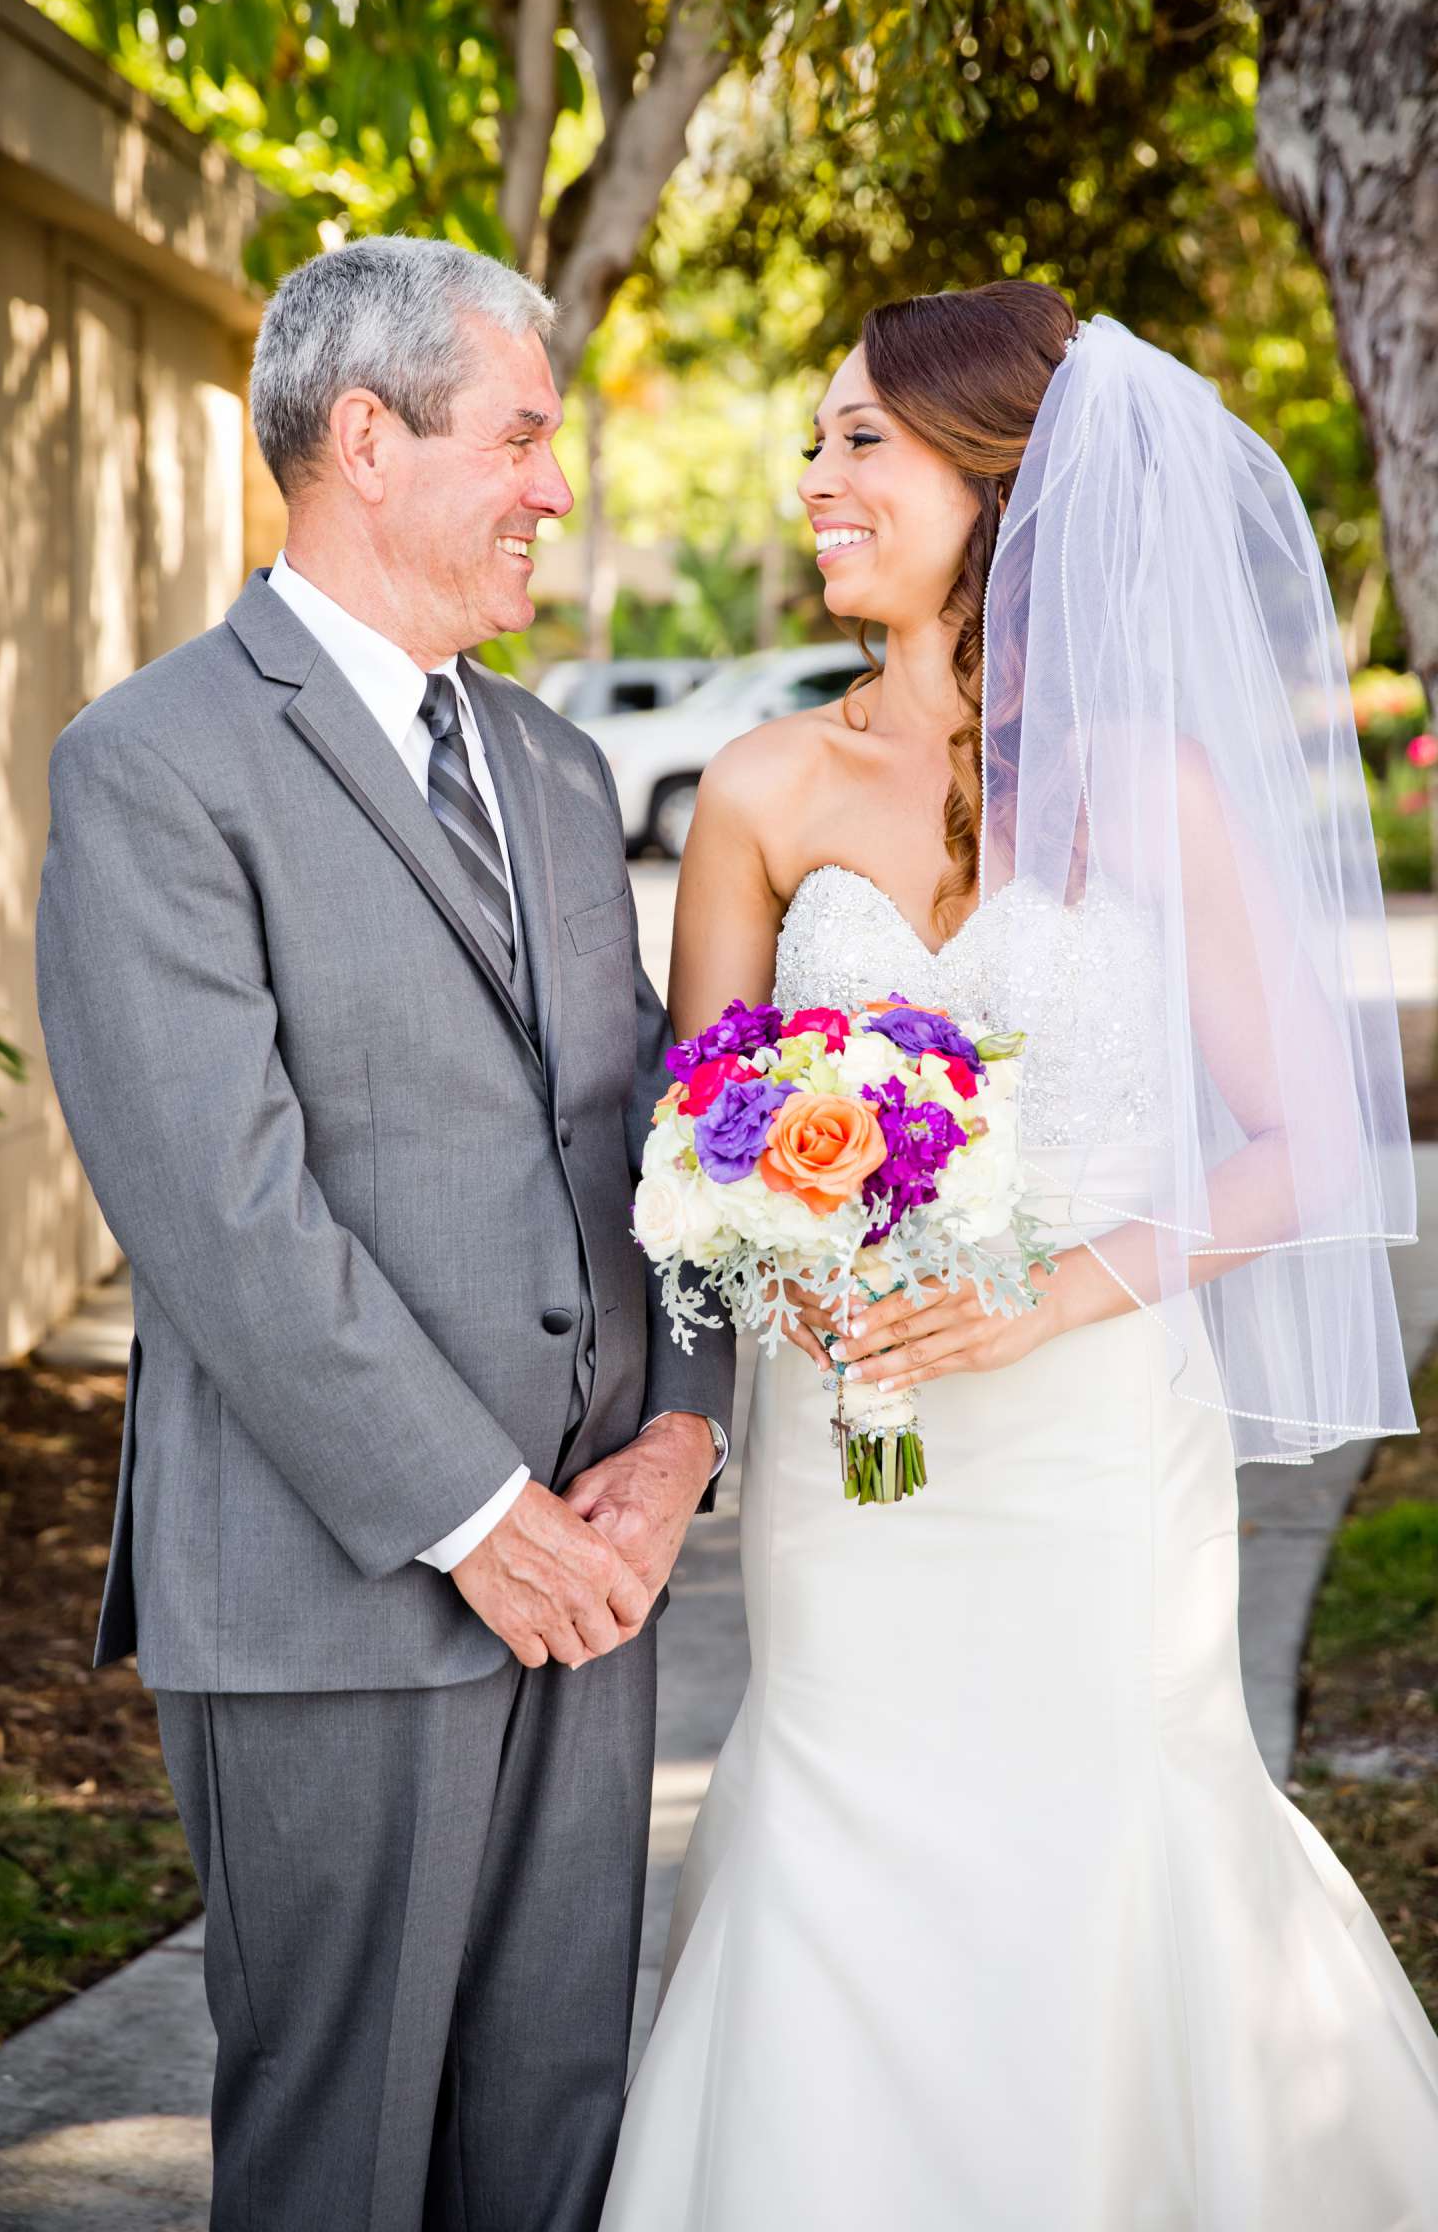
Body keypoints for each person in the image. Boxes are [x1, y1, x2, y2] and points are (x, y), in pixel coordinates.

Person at [600, 283, 1438, 2229]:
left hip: (1080, 1433)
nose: (810, 478)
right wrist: (772, 1255)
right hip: (847, 1436)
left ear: (997, 481)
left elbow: (1308, 1138)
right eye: (809, 437)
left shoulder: (1146, 788)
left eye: (856, 442)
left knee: (1092, 1833)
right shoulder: (756, 786)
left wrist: (1042, 1296)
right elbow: (697, 1119)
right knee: (832, 1810)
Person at [34, 233, 735, 2232]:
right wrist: (473, 1518)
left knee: (549, 2127)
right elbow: (217, 1207)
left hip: (593, 1589)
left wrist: (678, 1434)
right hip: (339, 1593)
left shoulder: (553, 763)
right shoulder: (157, 764)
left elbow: (654, 1137)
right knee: (341, 2158)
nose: (554, 484)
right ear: (366, 436)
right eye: (522, 434)